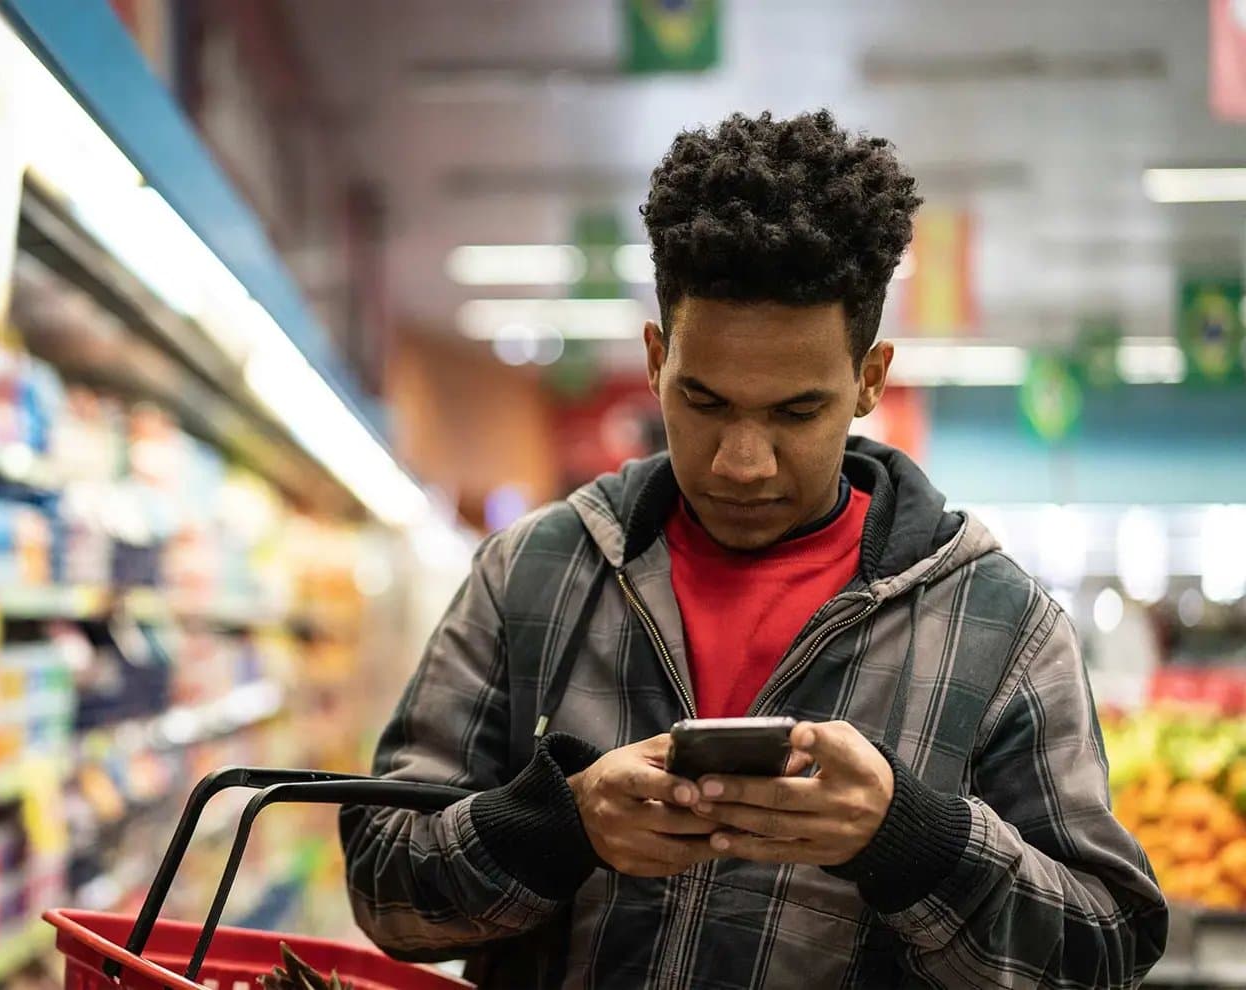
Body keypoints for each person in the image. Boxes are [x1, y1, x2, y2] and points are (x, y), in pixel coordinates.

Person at [340, 110, 1167, 988]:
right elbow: (383, 885)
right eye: (703, 400)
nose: (742, 461)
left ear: (870, 380)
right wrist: (559, 824)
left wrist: (912, 842)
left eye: (795, 412)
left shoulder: (999, 625)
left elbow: (1103, 950)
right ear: (656, 359)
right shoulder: (534, 573)